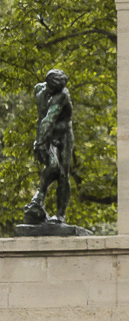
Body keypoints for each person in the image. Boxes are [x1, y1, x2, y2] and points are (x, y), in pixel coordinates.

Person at [24, 69, 74, 224]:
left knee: (63, 174)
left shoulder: (63, 95)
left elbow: (50, 119)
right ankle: (39, 196)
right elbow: (42, 118)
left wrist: (39, 142)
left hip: (64, 134)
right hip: (47, 133)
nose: (57, 92)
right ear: (48, 85)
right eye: (54, 89)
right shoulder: (39, 90)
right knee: (52, 166)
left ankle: (60, 215)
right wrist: (40, 140)